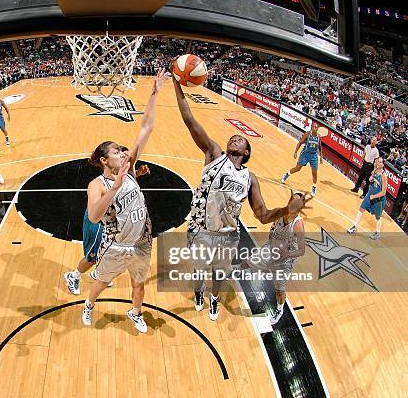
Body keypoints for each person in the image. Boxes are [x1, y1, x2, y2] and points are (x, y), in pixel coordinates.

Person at [171, 65, 307, 321]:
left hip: (228, 235)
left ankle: (214, 299)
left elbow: (263, 215)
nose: (234, 139)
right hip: (200, 227)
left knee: (220, 273)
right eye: (232, 138)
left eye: (240, 140)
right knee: (199, 270)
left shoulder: (249, 178)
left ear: (246, 152)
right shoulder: (213, 154)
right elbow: (189, 119)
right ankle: (199, 293)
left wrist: (286, 210)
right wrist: (177, 81)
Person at [81, 69, 168, 333]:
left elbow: (147, 127)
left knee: (139, 283)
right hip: (116, 245)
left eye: (122, 149)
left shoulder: (129, 168)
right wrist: (116, 186)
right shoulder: (97, 185)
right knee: (103, 282)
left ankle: (136, 311)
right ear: (105, 160)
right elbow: (94, 216)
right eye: (117, 151)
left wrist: (154, 92)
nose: (123, 152)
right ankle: (88, 304)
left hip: (141, 238)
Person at [64, 146, 150, 295]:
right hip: (97, 222)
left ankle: (100, 272)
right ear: (106, 160)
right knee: (92, 256)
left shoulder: (121, 174)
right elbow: (99, 208)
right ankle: (73, 276)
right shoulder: (100, 182)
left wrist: (137, 174)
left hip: (114, 222)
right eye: (119, 154)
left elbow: (122, 184)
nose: (124, 157)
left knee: (111, 251)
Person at [244, 193, 308, 325]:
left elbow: (302, 250)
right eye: (291, 200)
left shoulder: (298, 225)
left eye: (296, 202)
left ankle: (280, 310)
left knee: (279, 290)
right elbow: (265, 216)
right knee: (248, 262)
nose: (292, 203)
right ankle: (234, 271)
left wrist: (287, 254)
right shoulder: (280, 212)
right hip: (270, 249)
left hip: (285, 260)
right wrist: (260, 216)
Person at [347, 157, 387, 240]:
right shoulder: (375, 170)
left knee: (377, 217)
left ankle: (377, 233)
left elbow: (384, 192)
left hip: (378, 199)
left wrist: (374, 196)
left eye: (380, 162)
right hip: (370, 194)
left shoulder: (384, 175)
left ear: (383, 165)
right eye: (378, 162)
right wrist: (371, 178)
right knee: (361, 209)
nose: (378, 163)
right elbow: (370, 179)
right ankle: (355, 226)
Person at [280, 121, 322, 197]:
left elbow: (320, 147)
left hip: (314, 156)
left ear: (317, 129)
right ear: (311, 128)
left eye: (316, 127)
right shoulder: (307, 134)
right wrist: (296, 152)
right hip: (305, 154)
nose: (314, 128)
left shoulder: (318, 136)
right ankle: (287, 174)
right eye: (313, 127)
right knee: (298, 168)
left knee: (314, 173)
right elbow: (300, 142)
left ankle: (314, 187)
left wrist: (321, 157)